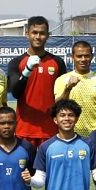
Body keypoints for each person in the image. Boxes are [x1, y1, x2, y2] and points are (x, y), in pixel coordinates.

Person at [7, 16, 67, 148]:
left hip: (51, 130)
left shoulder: (57, 62)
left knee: (49, 169)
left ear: (48, 36)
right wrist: (27, 70)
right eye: (34, 32)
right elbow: (15, 93)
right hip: (24, 130)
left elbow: (62, 99)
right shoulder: (16, 62)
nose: (38, 37)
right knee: (25, 169)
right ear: (27, 33)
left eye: (42, 33)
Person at [53, 40, 96, 137]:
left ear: (92, 57)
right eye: (79, 56)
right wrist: (68, 88)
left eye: (86, 56)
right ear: (73, 57)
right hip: (71, 134)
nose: (83, 59)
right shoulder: (62, 80)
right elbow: (58, 106)